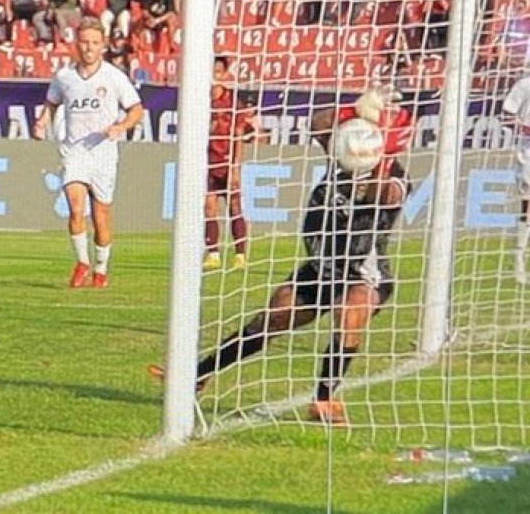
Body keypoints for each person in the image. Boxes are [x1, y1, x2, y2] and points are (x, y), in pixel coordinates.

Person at [150, 88, 415, 425]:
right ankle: (196, 377)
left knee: (349, 314)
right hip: (322, 268)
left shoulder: (396, 177)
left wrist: (383, 154)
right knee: (270, 320)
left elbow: (384, 197)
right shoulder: (341, 158)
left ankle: (324, 399)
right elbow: (319, 123)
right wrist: (355, 114)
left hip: (363, 270)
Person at [32, 17, 143, 288]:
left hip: (103, 153)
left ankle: (101, 269)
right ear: (76, 44)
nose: (88, 48)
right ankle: (82, 262)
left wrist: (121, 127)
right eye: (84, 42)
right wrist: (42, 121)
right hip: (75, 151)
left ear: (103, 45)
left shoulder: (114, 77)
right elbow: (52, 103)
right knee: (76, 208)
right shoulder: (64, 77)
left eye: (94, 43)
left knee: (101, 217)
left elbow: (136, 110)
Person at [203, 57, 257, 271]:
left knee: (234, 206)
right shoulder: (200, 101)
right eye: (211, 70)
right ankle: (213, 254)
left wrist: (235, 167)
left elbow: (239, 136)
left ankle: (240, 255)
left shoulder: (233, 103)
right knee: (209, 207)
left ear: (224, 75)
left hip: (227, 162)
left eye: (218, 71)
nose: (214, 76)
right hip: (208, 162)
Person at [500, 75, 530, 284]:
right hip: (529, 154)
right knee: (528, 207)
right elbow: (507, 116)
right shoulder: (525, 84)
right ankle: (518, 260)